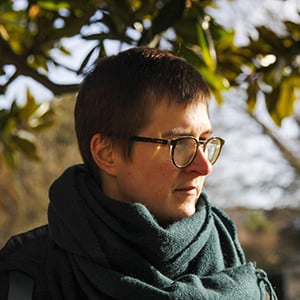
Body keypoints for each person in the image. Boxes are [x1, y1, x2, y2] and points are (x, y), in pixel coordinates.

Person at [0, 47, 277, 300]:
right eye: (180, 144)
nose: (204, 166)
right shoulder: (23, 280)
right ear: (107, 154)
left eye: (204, 142)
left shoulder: (246, 281)